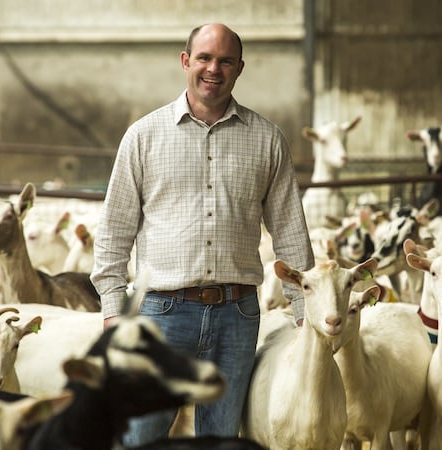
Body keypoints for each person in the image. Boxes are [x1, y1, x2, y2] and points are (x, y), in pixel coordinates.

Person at [90, 23, 314, 446]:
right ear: (185, 61)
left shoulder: (267, 139)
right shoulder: (144, 136)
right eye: (205, 58)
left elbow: (289, 231)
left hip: (237, 315)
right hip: (160, 314)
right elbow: (115, 229)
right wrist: (112, 310)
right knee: (141, 436)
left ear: (240, 68)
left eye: (226, 61)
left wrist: (305, 309)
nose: (214, 69)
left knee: (221, 439)